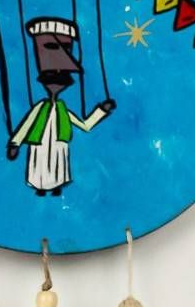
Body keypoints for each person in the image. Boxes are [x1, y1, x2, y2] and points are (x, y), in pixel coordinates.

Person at [7, 17, 115, 195]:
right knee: (40, 162)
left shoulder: (62, 110)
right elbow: (26, 125)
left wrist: (102, 110)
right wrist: (15, 143)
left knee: (58, 162)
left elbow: (85, 125)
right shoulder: (40, 108)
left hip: (59, 144)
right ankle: (40, 186)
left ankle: (56, 185)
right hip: (39, 143)